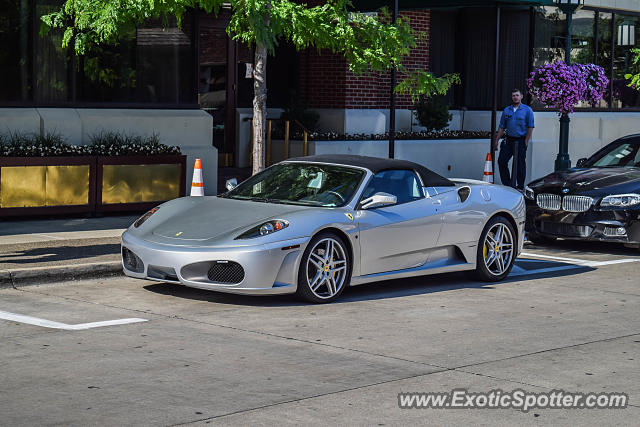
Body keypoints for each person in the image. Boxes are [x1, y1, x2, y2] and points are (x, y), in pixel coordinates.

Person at [493, 89, 535, 190]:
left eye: (517, 95)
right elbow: (502, 126)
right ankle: (508, 185)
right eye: (513, 96)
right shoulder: (507, 110)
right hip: (509, 140)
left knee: (520, 164)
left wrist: (526, 141)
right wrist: (496, 140)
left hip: (520, 140)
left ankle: (520, 187)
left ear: (521, 97)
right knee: (501, 161)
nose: (515, 97)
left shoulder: (527, 110)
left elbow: (530, 126)